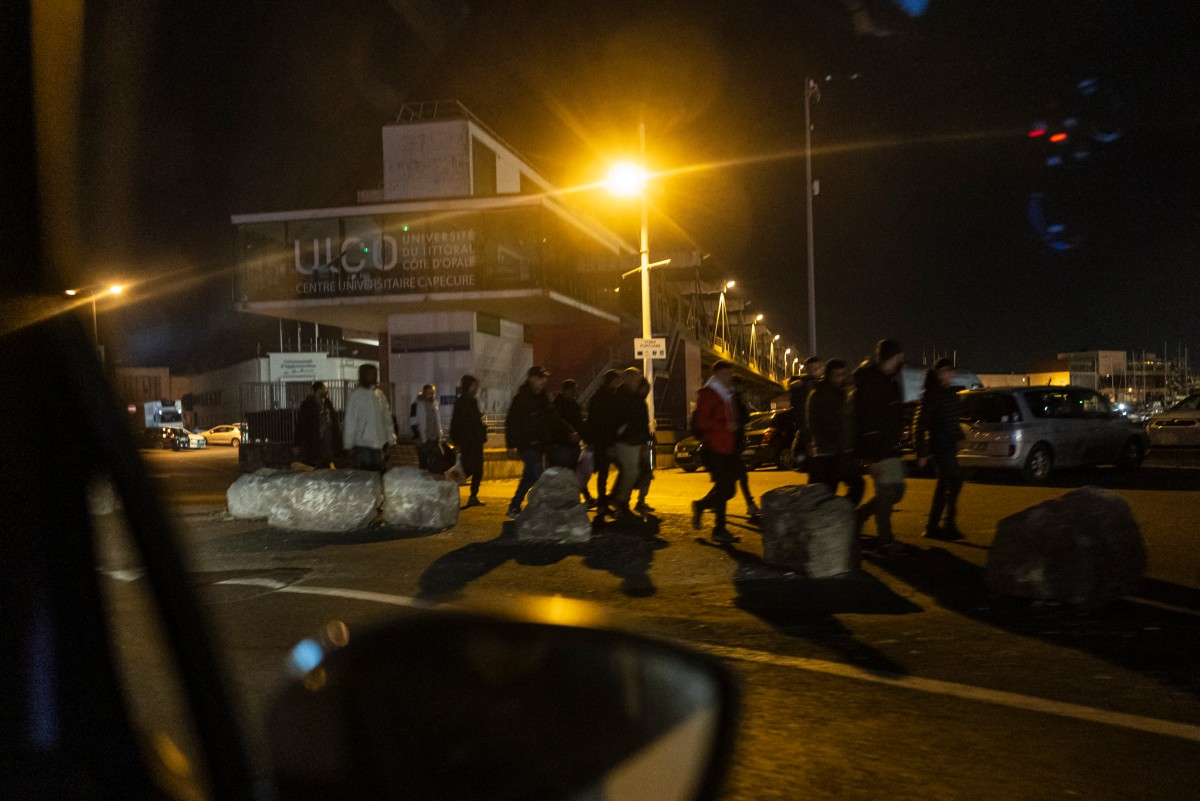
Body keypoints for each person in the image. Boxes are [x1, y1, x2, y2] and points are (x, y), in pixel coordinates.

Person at [852, 339, 908, 556]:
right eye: (898, 357)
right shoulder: (870, 382)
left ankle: (861, 516)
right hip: (877, 449)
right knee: (885, 494)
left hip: (891, 445)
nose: (901, 361)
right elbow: (865, 421)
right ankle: (885, 541)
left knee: (897, 491)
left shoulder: (890, 380)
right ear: (890, 357)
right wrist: (872, 457)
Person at [505, 366, 577, 517]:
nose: (543, 381)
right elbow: (511, 422)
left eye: (545, 378)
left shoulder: (543, 399)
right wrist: (510, 445)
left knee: (529, 477)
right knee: (539, 476)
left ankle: (514, 506)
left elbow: (554, 418)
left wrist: (569, 430)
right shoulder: (521, 399)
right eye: (540, 378)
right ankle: (548, 509)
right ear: (531, 379)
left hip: (540, 445)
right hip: (526, 445)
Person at [914, 358, 966, 540]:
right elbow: (920, 425)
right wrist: (921, 453)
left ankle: (932, 527)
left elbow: (952, 420)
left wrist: (960, 436)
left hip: (949, 446)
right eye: (945, 371)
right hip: (939, 447)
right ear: (938, 374)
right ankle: (948, 524)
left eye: (951, 371)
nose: (949, 374)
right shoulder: (932, 394)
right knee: (956, 480)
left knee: (944, 485)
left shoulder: (950, 393)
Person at [690, 362, 739, 544]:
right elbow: (701, 423)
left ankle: (701, 505)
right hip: (713, 448)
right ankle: (719, 529)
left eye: (730, 374)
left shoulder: (728, 394)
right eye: (724, 374)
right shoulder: (709, 394)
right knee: (724, 488)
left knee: (727, 489)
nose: (728, 377)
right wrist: (725, 425)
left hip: (726, 447)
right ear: (716, 376)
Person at [805, 359, 864, 505]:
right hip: (827, 455)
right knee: (823, 495)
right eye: (836, 375)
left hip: (843, 452)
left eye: (843, 374)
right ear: (828, 375)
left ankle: (843, 514)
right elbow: (812, 424)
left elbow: (850, 422)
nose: (839, 378)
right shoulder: (817, 395)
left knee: (857, 486)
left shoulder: (845, 394)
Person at [609, 367, 651, 521]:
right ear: (627, 379)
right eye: (635, 379)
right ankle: (621, 501)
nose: (637, 382)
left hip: (636, 440)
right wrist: (611, 443)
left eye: (639, 379)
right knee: (631, 471)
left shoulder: (636, 398)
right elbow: (612, 422)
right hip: (626, 441)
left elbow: (643, 423)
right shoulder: (620, 397)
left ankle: (619, 499)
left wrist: (646, 441)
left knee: (635, 472)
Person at [343, 363, 396, 471]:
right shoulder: (355, 395)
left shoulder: (379, 395)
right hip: (363, 443)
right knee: (366, 473)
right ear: (362, 376)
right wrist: (348, 443)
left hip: (378, 442)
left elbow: (386, 418)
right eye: (370, 374)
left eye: (374, 374)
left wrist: (391, 438)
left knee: (378, 472)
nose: (373, 377)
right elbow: (350, 421)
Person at [553, 379, 595, 507]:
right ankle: (572, 500)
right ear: (567, 390)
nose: (575, 392)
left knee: (573, 473)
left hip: (570, 444)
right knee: (570, 473)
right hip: (564, 445)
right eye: (573, 390)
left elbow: (579, 425)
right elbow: (560, 423)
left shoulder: (563, 404)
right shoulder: (562, 405)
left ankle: (579, 498)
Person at [586, 369, 623, 516]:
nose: (617, 384)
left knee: (604, 474)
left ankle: (605, 502)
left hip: (604, 442)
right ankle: (606, 502)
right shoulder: (603, 398)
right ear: (610, 382)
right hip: (604, 443)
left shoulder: (602, 397)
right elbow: (603, 424)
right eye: (615, 381)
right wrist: (609, 444)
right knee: (606, 473)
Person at [450, 374, 488, 508]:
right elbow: (457, 422)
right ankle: (450, 489)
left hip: (475, 441)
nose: (476, 388)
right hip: (468, 441)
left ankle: (473, 496)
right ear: (468, 386)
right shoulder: (462, 402)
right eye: (473, 385)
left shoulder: (472, 401)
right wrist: (457, 442)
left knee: (478, 469)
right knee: (469, 469)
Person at [730, 376, 761, 518]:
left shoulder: (734, 398)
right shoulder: (734, 399)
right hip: (732, 444)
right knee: (741, 476)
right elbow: (744, 418)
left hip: (735, 443)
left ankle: (707, 503)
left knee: (729, 479)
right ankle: (750, 504)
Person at [293, 380, 341, 469]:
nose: (327, 391)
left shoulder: (327, 403)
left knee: (329, 467)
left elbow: (334, 421)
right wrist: (297, 443)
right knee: (315, 468)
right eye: (325, 389)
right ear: (319, 390)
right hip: (313, 443)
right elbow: (301, 424)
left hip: (328, 444)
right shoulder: (308, 405)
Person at [789, 356, 824, 470]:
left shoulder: (826, 383)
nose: (814, 370)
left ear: (822, 368)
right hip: (809, 433)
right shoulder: (802, 383)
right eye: (810, 368)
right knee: (814, 467)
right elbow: (798, 411)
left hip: (825, 433)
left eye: (816, 367)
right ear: (806, 369)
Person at [409, 384, 445, 471]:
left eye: (432, 393)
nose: (431, 395)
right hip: (423, 439)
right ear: (424, 392)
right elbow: (413, 422)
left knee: (439, 460)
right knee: (424, 462)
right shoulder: (416, 405)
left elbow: (437, 421)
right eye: (429, 392)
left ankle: (435, 478)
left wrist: (440, 435)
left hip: (434, 438)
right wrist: (417, 437)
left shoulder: (434, 405)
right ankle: (424, 481)